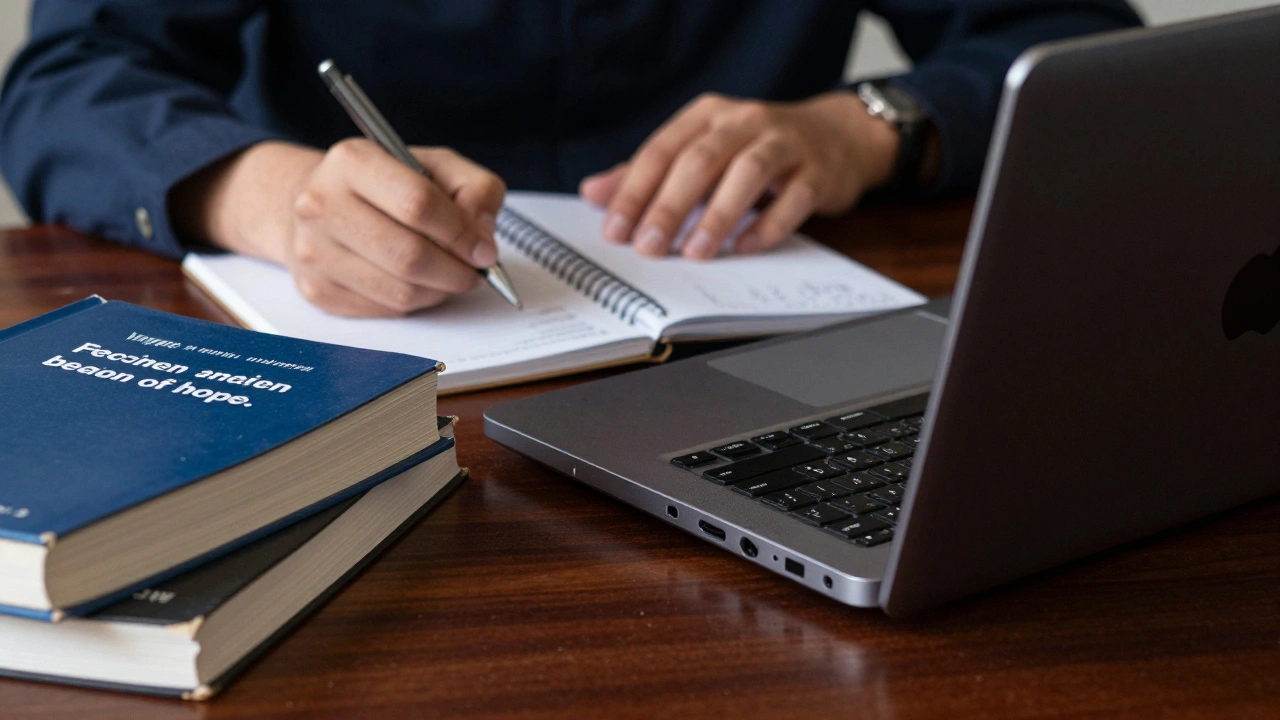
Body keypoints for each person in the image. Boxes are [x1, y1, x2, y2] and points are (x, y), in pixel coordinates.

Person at [0, 1, 1140, 317]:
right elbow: (69, 77)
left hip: (757, 344)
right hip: (358, 377)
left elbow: (1075, 37)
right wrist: (270, 192)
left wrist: (867, 125)